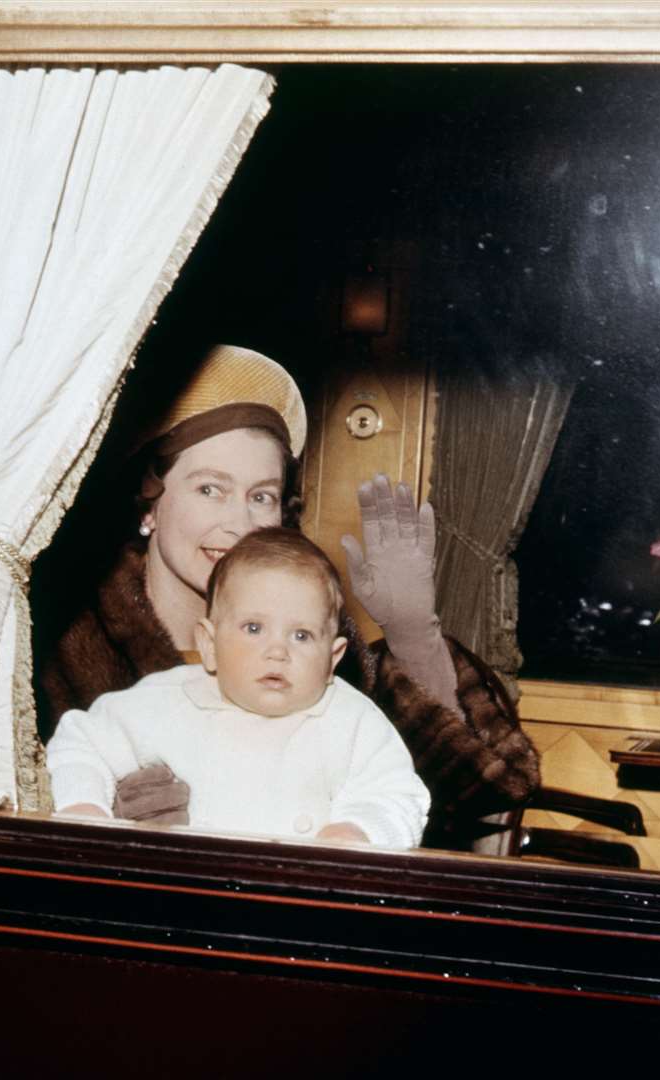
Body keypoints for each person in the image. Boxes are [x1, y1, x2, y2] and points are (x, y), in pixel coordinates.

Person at [37, 344, 539, 844]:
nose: (238, 524)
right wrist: (107, 814)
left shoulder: (317, 647)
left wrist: (415, 634)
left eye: (262, 496)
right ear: (147, 504)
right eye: (210, 489)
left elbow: (479, 790)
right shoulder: (60, 653)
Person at [47, 529, 430, 849]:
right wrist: (84, 808)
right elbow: (83, 742)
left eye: (301, 635)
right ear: (210, 645)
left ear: (332, 659)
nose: (278, 651)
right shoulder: (165, 702)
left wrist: (356, 831)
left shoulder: (352, 720)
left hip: (298, 902)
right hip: (181, 895)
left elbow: (396, 794)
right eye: (253, 628)